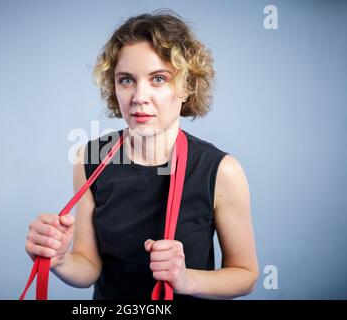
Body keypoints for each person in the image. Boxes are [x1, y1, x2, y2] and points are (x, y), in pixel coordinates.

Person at [25, 9, 259, 300]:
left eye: (158, 79)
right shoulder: (90, 158)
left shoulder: (221, 170)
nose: (138, 96)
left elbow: (246, 274)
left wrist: (186, 280)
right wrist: (58, 258)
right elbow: (87, 266)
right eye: (126, 80)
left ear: (186, 86)